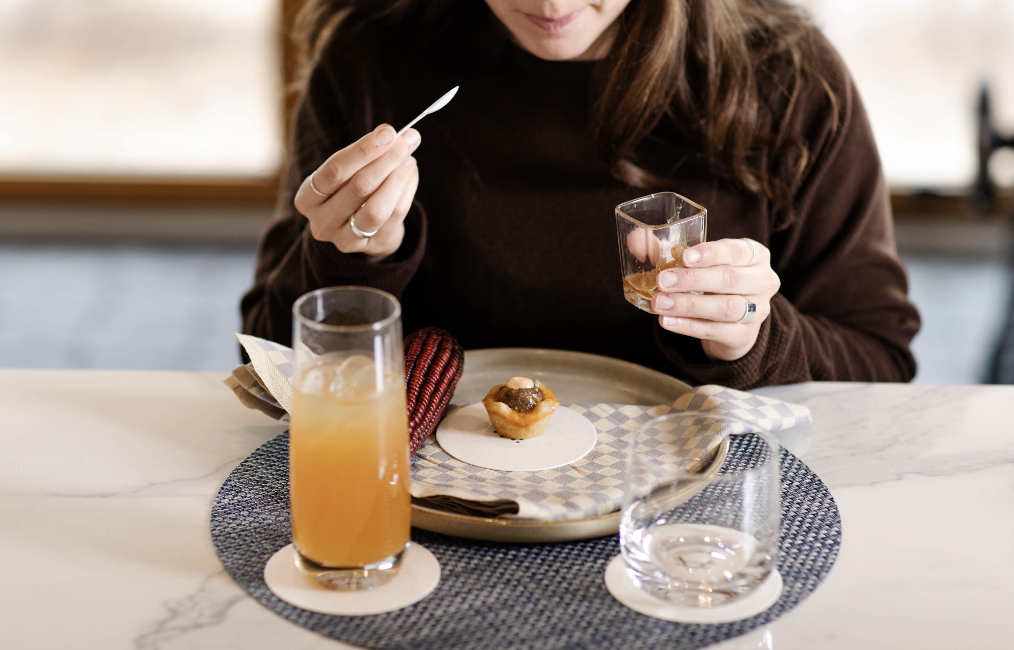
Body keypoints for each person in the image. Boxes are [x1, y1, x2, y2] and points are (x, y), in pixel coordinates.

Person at [241, 0, 921, 389]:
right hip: (428, 506)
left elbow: (880, 366)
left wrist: (754, 338)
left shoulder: (787, 79)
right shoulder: (371, 58)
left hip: (695, 529)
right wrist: (354, 259)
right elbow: (268, 358)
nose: (551, 2)